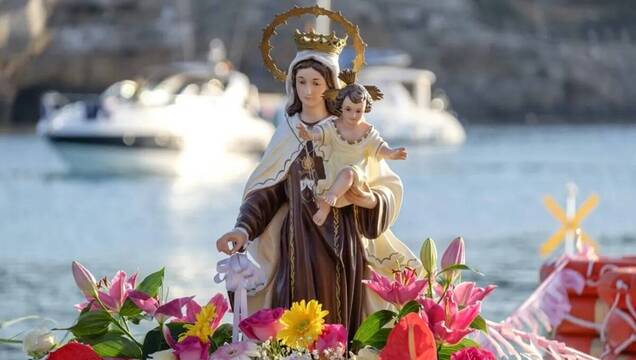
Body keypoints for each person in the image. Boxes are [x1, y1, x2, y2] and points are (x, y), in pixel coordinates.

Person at [216, 9, 420, 340]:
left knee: (343, 317)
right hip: (297, 243)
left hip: (345, 241)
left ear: (331, 85)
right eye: (301, 82)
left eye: (316, 82)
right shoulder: (288, 134)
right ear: (291, 84)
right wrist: (243, 228)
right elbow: (267, 191)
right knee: (295, 318)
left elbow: (385, 186)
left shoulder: (352, 132)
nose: (308, 91)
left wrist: (369, 199)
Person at [296, 69, 408, 226]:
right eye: (348, 109)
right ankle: (325, 206)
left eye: (358, 111)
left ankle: (332, 197)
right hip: (332, 173)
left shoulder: (367, 131)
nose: (353, 115)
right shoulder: (333, 126)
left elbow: (379, 147)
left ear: (365, 109)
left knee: (348, 174)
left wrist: (391, 153)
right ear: (341, 106)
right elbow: (319, 133)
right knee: (330, 188)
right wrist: (308, 133)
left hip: (356, 176)